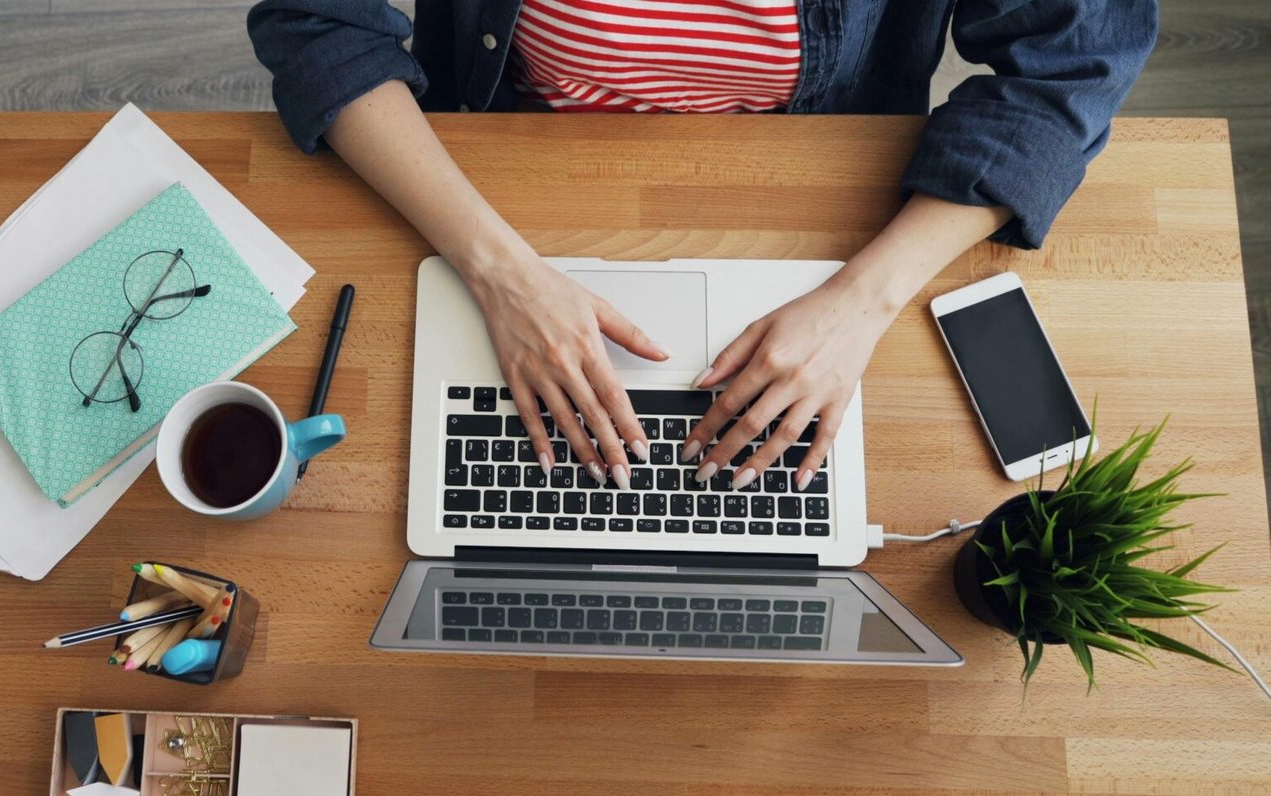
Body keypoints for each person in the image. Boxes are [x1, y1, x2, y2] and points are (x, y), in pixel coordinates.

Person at [247, 1, 1157, 493]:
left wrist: (861, 303)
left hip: (823, 198)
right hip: (500, 174)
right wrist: (498, 271)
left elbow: (1072, 61)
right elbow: (317, 19)